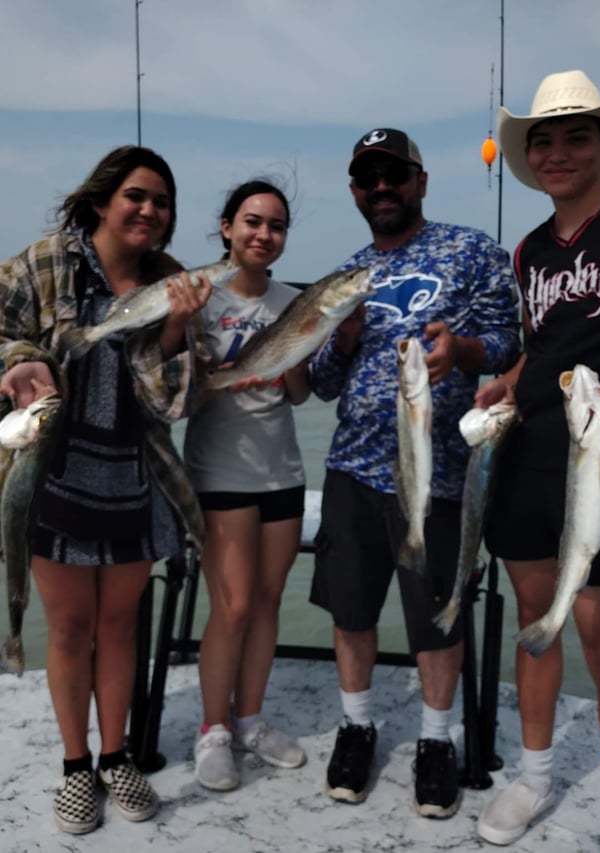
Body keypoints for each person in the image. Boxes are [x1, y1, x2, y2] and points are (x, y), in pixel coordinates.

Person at [308, 128, 521, 816]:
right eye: (368, 179)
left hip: (441, 470)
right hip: (353, 468)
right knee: (350, 608)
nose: (381, 188)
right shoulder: (345, 273)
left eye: (393, 176)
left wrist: (459, 349)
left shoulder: (472, 250)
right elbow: (319, 382)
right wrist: (340, 338)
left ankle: (436, 738)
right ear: (355, 194)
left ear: (420, 181)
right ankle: (357, 723)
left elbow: (509, 344)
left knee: (436, 614)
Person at [0, 145, 211, 835]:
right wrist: (25, 361)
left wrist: (178, 325)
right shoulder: (43, 263)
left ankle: (116, 753)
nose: (151, 211)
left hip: (133, 471)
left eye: (163, 202)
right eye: (137, 197)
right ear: (101, 201)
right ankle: (74, 764)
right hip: (50, 469)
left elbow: (170, 405)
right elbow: (2, 327)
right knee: (68, 626)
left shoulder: (174, 282)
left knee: (119, 625)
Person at [474, 70, 600, 853]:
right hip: (531, 450)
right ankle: (535, 773)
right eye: (545, 139)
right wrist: (500, 386)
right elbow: (545, 349)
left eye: (579, 135)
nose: (560, 152)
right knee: (535, 621)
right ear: (528, 156)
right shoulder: (529, 251)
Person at [184, 179, 310, 792]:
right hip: (220, 470)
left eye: (277, 226)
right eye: (253, 222)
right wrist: (214, 377)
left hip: (283, 470)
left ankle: (250, 720)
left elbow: (304, 391)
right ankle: (212, 729)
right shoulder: (199, 298)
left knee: (266, 599)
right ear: (228, 227)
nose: (265, 234)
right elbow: (176, 392)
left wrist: (281, 371)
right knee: (230, 605)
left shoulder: (295, 300)